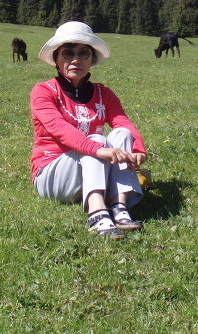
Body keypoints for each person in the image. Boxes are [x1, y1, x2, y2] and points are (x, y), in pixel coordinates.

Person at [30, 21, 147, 238]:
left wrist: (138, 149)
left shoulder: (104, 94)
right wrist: (97, 149)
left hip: (93, 170)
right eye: (68, 54)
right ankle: (96, 212)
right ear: (56, 59)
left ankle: (119, 206)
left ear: (92, 59)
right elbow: (58, 128)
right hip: (52, 174)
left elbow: (123, 122)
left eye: (83, 54)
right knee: (97, 140)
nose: (76, 60)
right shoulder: (43, 92)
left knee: (122, 134)